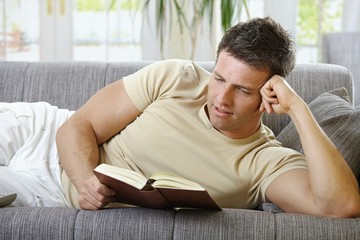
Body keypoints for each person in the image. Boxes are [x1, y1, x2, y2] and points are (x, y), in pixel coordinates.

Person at [2, 17, 360, 217]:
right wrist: (83, 181)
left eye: (243, 90)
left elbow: (341, 207)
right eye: (219, 78)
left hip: (46, 193)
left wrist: (298, 108)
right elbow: (77, 125)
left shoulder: (264, 162)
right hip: (42, 135)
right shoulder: (178, 77)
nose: (221, 97)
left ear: (269, 94)